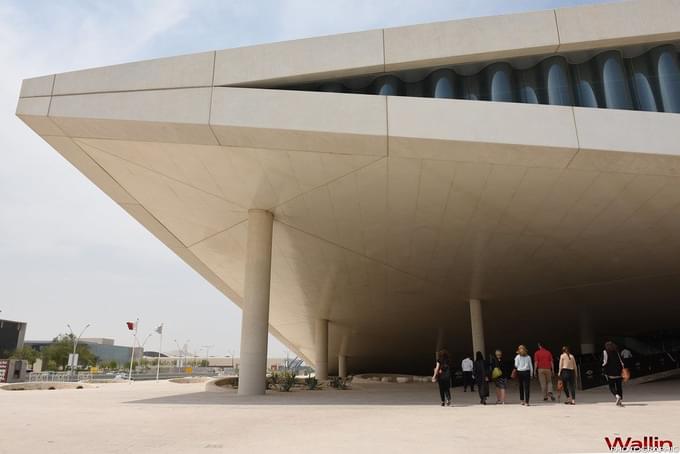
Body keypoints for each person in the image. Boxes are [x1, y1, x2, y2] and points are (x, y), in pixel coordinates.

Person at [603, 341, 625, 407]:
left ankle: (617, 396)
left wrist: (603, 368)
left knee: (611, 386)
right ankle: (620, 401)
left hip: (610, 372)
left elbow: (605, 361)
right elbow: (621, 362)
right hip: (618, 372)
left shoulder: (605, 351)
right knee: (619, 387)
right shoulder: (617, 351)